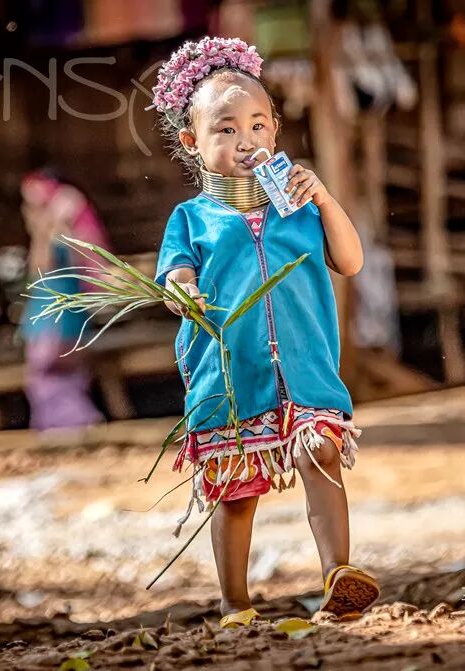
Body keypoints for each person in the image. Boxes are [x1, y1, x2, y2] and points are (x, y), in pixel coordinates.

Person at [151, 37, 380, 627]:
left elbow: (350, 261)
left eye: (257, 124)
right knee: (236, 493)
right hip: (229, 380)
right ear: (192, 143)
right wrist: (183, 291)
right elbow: (175, 275)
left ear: (275, 130)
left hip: (304, 368)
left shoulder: (300, 207)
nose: (245, 139)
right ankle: (235, 604)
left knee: (319, 450)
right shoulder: (191, 218)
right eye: (225, 130)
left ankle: (339, 576)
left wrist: (323, 197)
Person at [20, 169, 108, 431]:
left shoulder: (51, 233)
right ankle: (77, 424)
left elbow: (39, 270)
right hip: (70, 318)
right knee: (69, 374)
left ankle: (68, 425)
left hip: (51, 320)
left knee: (47, 373)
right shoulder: (75, 233)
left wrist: (40, 231)